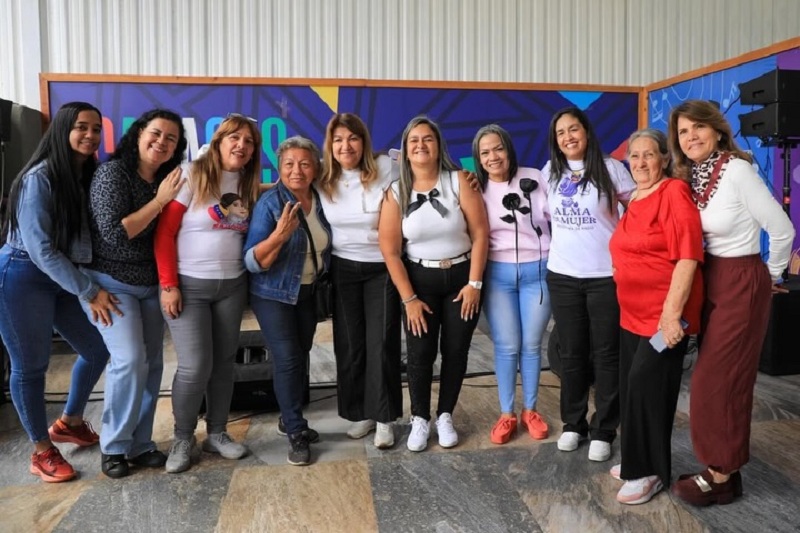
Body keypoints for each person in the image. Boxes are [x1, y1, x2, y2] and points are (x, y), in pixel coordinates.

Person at [667, 100, 795, 506]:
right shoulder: (693, 175)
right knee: (717, 379)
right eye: (683, 132)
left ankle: (721, 475)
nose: (691, 137)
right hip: (710, 277)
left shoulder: (737, 170)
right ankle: (723, 469)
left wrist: (771, 275)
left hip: (739, 277)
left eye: (698, 127)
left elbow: (782, 228)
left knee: (717, 382)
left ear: (717, 130)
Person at [0, 102, 120, 482]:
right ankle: (41, 451)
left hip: (62, 275)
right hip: (22, 274)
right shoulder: (40, 177)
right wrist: (89, 290)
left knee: (97, 349)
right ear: (62, 130)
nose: (90, 135)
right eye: (81, 127)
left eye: (96, 129)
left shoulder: (87, 174)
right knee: (30, 366)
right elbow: (40, 249)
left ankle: (69, 422)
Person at [81, 109, 187, 478]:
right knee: (128, 359)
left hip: (150, 284)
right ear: (139, 133)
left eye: (171, 138)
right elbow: (115, 233)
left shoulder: (169, 179)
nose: (162, 142)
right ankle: (113, 446)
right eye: (156, 133)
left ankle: (140, 444)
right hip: (110, 282)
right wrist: (159, 201)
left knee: (153, 363)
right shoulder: (113, 174)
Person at [154, 114, 261, 473]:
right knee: (195, 365)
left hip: (232, 285)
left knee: (224, 363)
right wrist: (169, 285)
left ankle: (217, 433)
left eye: (248, 141)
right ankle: (183, 437)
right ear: (218, 141)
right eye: (234, 138)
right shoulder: (191, 174)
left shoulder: (248, 182)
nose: (241, 145)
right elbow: (164, 233)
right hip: (189, 286)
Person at [379, 116, 488, 452]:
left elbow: (480, 234)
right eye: (414, 140)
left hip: (462, 280)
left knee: (456, 350)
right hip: (419, 282)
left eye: (428, 139)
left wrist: (475, 284)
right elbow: (390, 251)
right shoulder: (396, 192)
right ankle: (420, 418)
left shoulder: (460, 181)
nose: (421, 145)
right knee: (420, 353)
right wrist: (409, 299)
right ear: (405, 150)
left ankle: (445, 415)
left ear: (439, 145)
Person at [608, 128, 704, 504]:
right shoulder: (635, 196)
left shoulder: (673, 192)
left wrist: (671, 316)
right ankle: (636, 459)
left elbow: (688, 256)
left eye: (649, 155)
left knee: (647, 388)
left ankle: (650, 472)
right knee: (632, 389)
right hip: (631, 314)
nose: (641, 162)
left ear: (664, 158)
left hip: (664, 318)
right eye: (634, 156)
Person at [543, 106, 635, 462]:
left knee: (607, 354)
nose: (568, 137)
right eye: (561, 132)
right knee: (571, 352)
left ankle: (604, 429)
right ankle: (573, 424)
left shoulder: (612, 169)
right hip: (563, 276)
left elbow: (638, 208)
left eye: (573, 129)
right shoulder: (550, 172)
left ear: (586, 131)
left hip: (605, 278)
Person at [244, 136, 332, 466]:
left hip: (308, 291)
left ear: (316, 169)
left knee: (302, 351)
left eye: (305, 163)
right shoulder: (270, 204)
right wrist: (280, 235)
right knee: (288, 358)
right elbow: (252, 261)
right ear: (279, 168)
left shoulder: (322, 199)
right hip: (273, 293)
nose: (297, 170)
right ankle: (295, 430)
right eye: (289, 164)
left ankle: (287, 415)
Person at [318, 113, 402, 449]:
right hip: (343, 268)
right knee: (350, 345)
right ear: (330, 145)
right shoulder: (322, 177)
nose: (345, 146)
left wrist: (464, 177)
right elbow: (285, 183)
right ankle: (363, 412)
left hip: (383, 267)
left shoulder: (385, 167)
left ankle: (384, 419)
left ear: (364, 141)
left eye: (352, 138)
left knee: (381, 343)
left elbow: (427, 171)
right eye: (338, 140)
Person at [471, 124, 551, 445]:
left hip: (539, 272)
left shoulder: (536, 177)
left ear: (509, 149)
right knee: (506, 346)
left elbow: (556, 219)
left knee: (531, 345)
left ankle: (531, 410)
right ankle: (507, 414)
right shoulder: (475, 188)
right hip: (498, 276)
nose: (493, 156)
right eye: (485, 152)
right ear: (478, 158)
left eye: (498, 148)